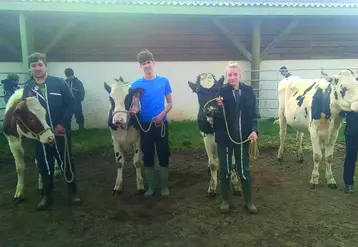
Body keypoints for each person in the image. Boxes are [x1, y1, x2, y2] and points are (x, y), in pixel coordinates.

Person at [22, 52, 81, 210]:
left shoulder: (59, 83)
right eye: (33, 65)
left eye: (40, 64)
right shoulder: (28, 88)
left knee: (66, 161)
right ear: (30, 68)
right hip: (40, 135)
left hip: (60, 131)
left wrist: (63, 123)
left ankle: (73, 193)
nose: (37, 68)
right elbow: (26, 112)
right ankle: (47, 196)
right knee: (44, 164)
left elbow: (72, 104)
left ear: (46, 66)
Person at [213, 61, 260, 214]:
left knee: (244, 169)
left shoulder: (248, 91)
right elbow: (214, 115)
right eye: (229, 75)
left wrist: (254, 131)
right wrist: (218, 106)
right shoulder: (220, 92)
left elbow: (254, 114)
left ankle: (248, 201)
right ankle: (226, 200)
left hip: (243, 138)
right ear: (226, 76)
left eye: (235, 74)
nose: (232, 77)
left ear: (240, 75)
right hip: (225, 139)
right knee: (225, 170)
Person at [129, 49, 173, 197]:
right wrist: (134, 110)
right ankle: (151, 187)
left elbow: (170, 103)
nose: (147, 65)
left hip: (161, 125)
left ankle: (164, 186)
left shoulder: (164, 81)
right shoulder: (135, 84)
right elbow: (135, 104)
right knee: (147, 155)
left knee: (163, 153)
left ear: (153, 63)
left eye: (148, 62)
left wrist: (162, 115)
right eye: (143, 63)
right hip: (145, 126)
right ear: (140, 66)